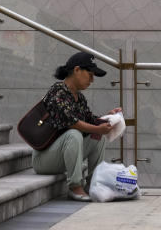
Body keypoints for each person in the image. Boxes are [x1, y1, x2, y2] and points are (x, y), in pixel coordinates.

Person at [31, 51, 122, 201]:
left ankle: (94, 183)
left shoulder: (78, 97)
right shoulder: (57, 91)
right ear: (77, 70)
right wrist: (97, 127)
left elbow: (90, 120)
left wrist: (108, 117)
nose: (92, 80)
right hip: (44, 158)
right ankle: (75, 186)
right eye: (90, 74)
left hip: (63, 155)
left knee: (98, 136)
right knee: (74, 134)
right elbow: (71, 123)